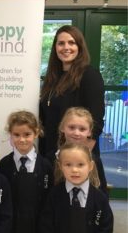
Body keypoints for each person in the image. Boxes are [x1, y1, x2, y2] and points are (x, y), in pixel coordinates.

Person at [39, 25, 107, 193]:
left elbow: (96, 121)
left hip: (78, 159)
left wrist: (80, 158)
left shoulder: (89, 76)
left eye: (72, 43)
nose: (66, 47)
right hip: (52, 155)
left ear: (80, 47)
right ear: (55, 47)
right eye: (61, 43)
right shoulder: (51, 78)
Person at [0, 110, 53, 233]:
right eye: (16, 135)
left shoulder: (45, 166)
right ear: (10, 134)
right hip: (11, 230)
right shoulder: (4, 165)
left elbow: (49, 201)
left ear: (36, 133)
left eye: (27, 134)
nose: (22, 139)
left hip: (37, 230)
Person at [40, 142, 113, 233]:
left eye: (81, 164)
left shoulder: (100, 199)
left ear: (90, 166)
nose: (74, 170)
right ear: (60, 166)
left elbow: (105, 229)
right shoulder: (54, 195)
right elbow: (46, 227)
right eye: (68, 164)